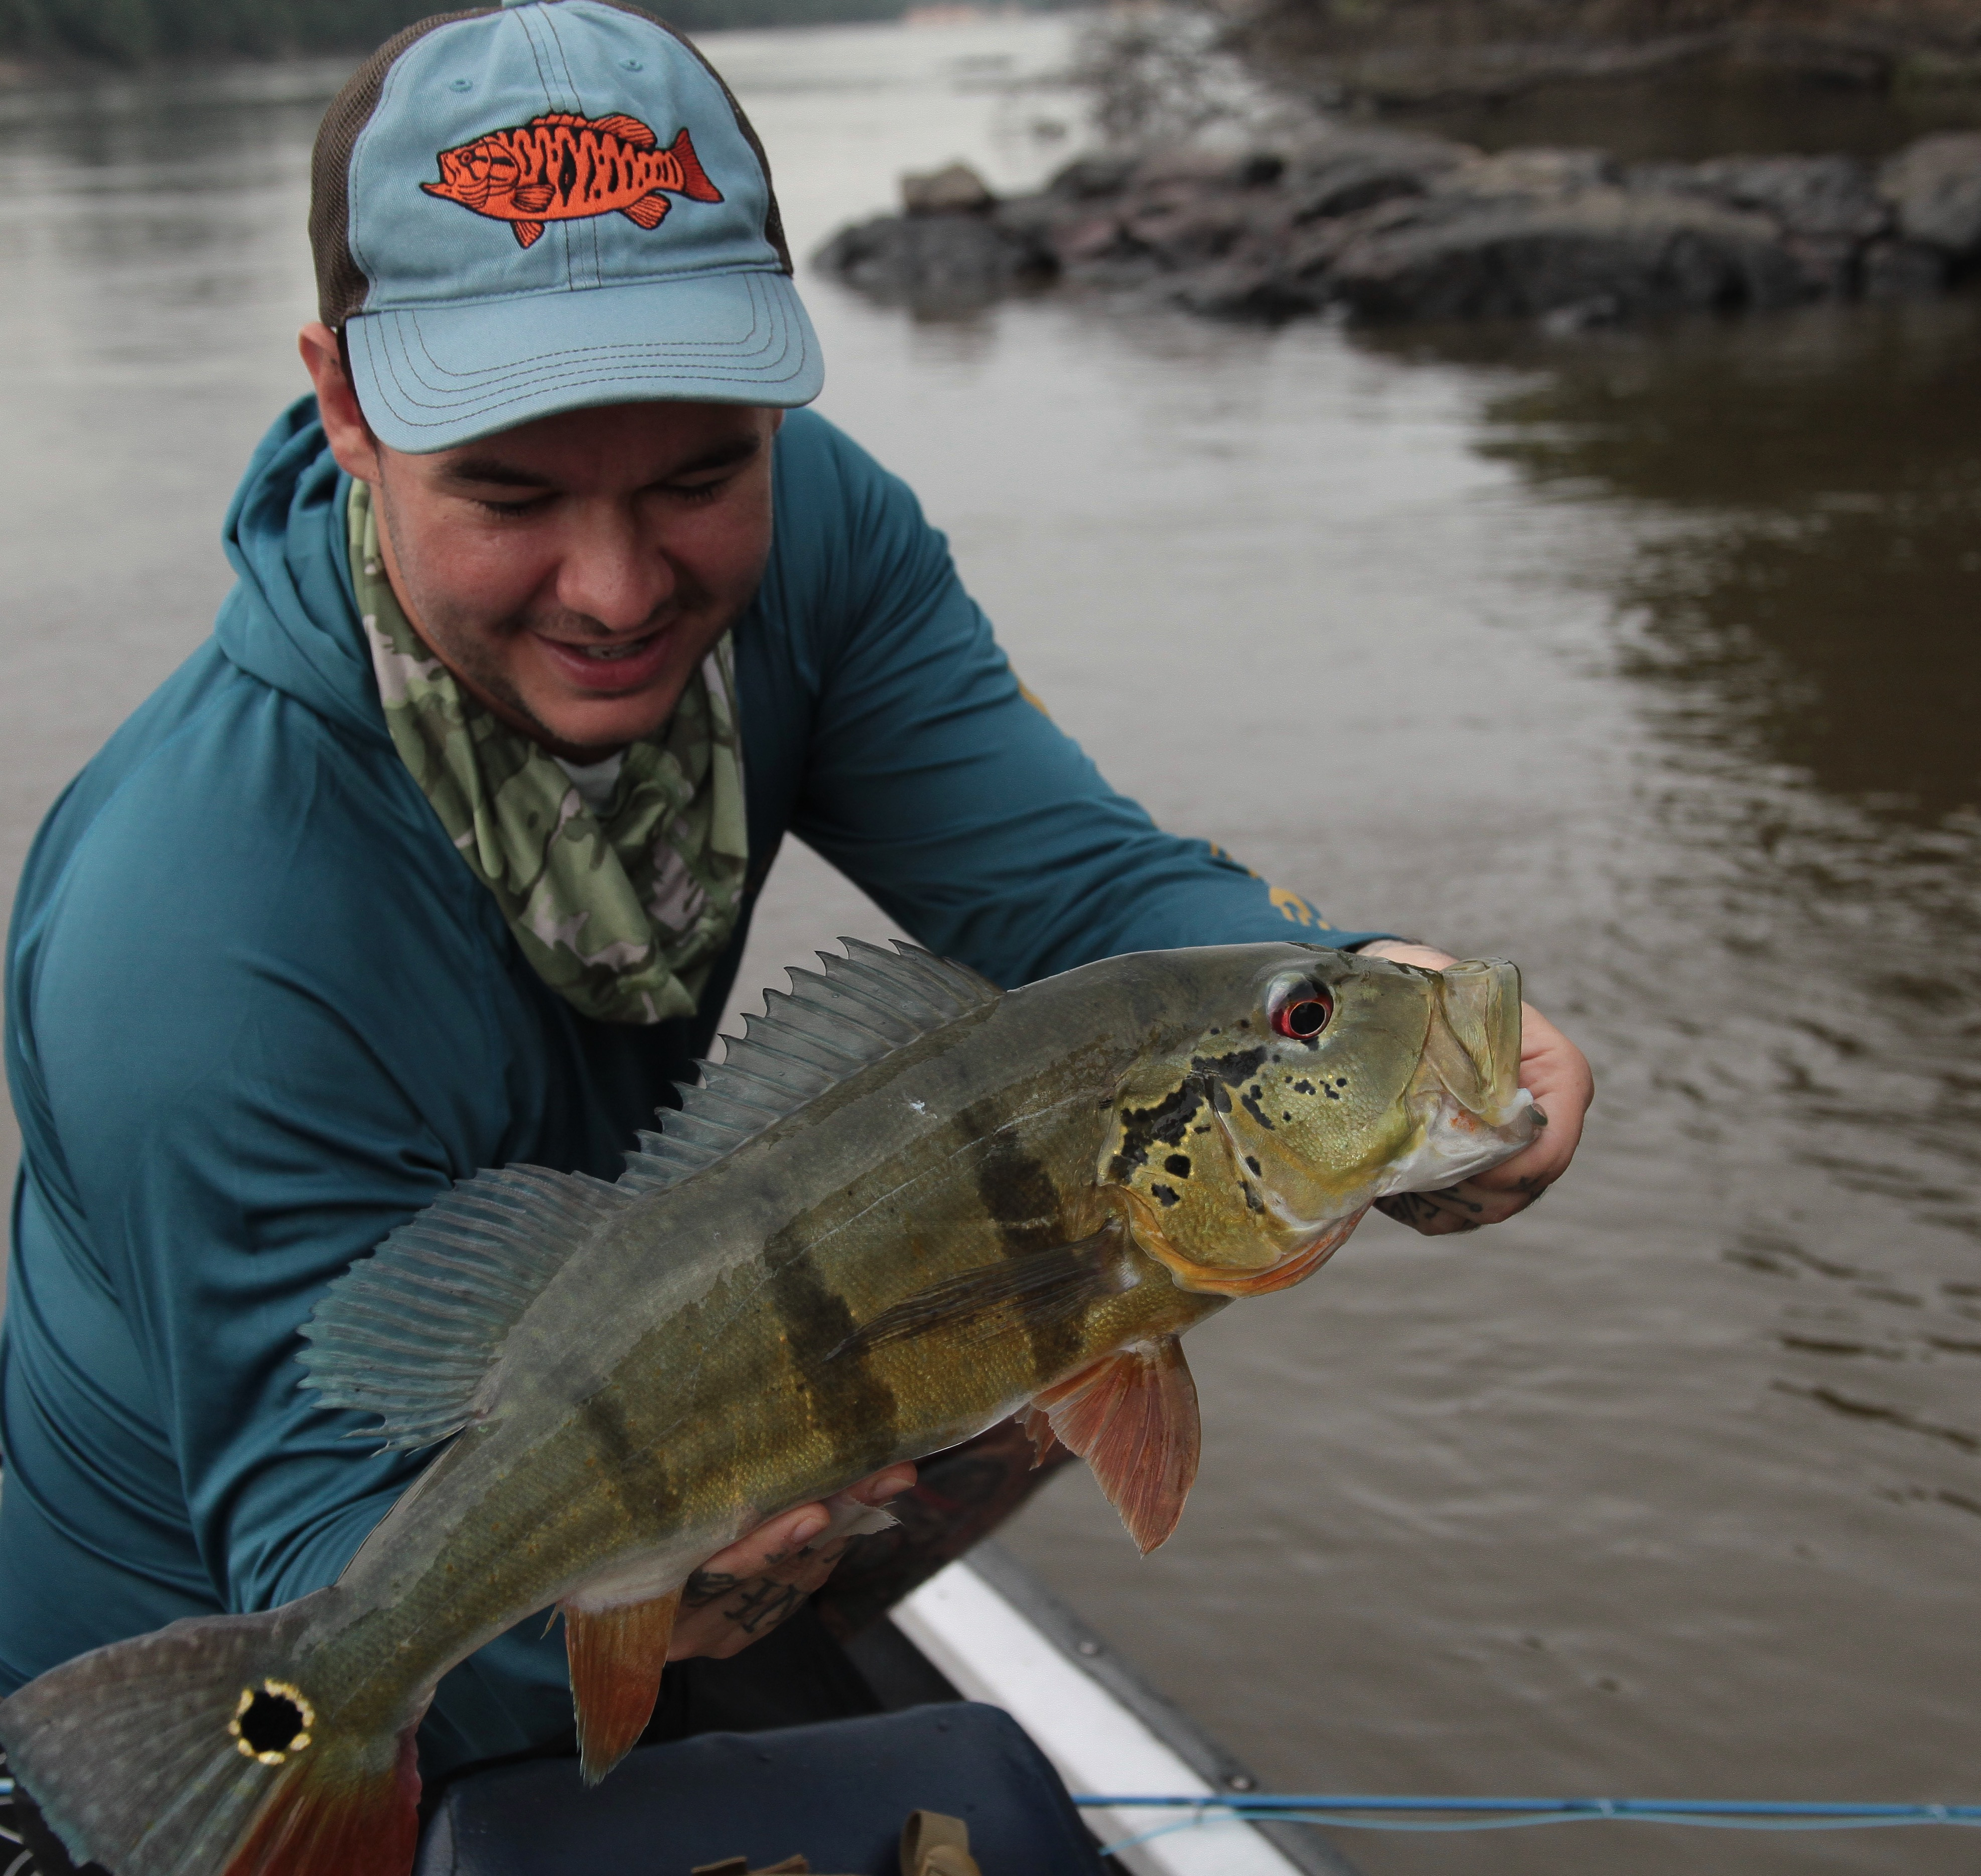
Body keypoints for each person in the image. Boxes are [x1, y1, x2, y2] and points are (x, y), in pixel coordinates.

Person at [0, 0, 1593, 1834]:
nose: (615, 585)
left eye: (698, 473)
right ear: (347, 404)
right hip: (240, 1690)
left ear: (775, 402)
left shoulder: (815, 536)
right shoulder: (196, 947)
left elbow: (1078, 893)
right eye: (510, 494)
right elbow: (318, 1527)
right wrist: (652, 1581)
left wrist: (1381, 994)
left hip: (633, 1399)